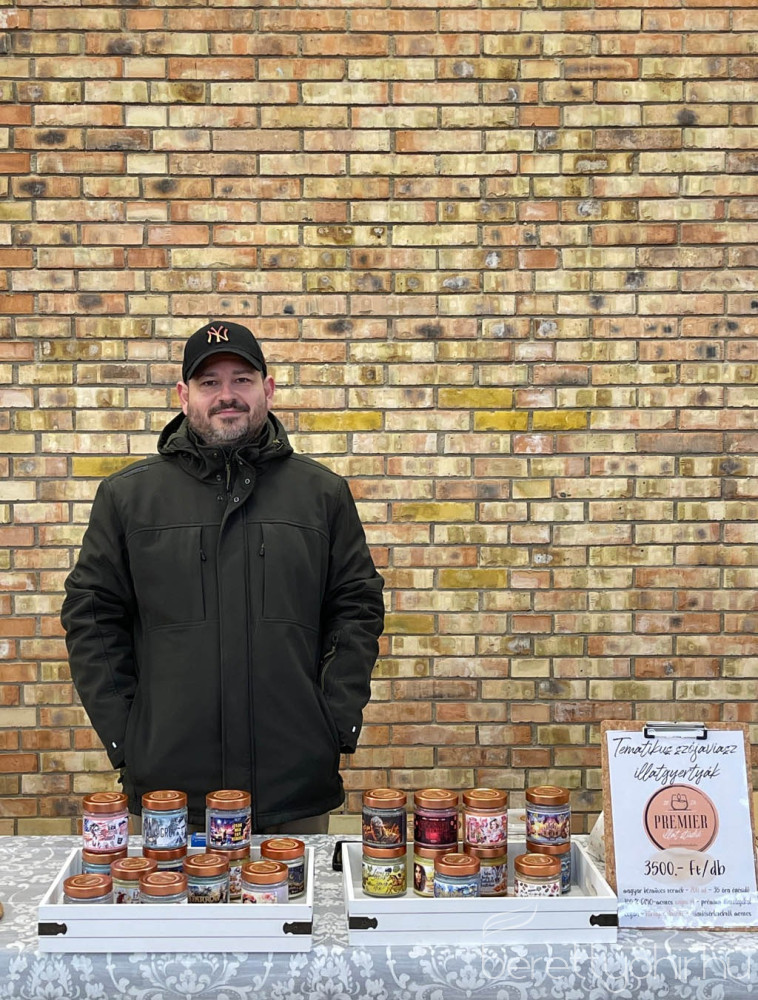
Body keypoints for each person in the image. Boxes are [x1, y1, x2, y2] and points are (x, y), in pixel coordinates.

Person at [61, 320, 385, 834]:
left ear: (268, 389)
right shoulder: (128, 498)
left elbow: (357, 608)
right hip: (169, 790)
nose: (226, 395)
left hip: (292, 788)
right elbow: (93, 617)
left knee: (291, 891)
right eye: (209, 382)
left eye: (242, 379)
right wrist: (128, 735)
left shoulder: (321, 494)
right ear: (183, 395)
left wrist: (334, 721)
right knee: (170, 890)